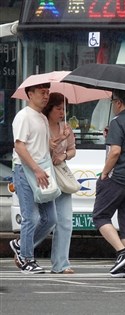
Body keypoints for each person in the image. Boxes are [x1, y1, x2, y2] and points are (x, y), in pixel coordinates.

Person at [92, 89, 125, 278]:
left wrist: (105, 173)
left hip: (118, 177)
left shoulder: (117, 122)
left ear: (118, 103)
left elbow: (115, 151)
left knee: (100, 215)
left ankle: (122, 252)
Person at [9, 82, 57, 274]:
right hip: (24, 170)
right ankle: (27, 258)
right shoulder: (23, 116)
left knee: (50, 218)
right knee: (30, 217)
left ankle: (21, 244)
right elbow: (19, 146)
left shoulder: (43, 119)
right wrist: (37, 169)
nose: (46, 96)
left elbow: (41, 146)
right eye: (42, 93)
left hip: (41, 171)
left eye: (47, 92)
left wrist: (57, 141)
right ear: (30, 94)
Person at [42, 92, 77, 274]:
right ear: (49, 109)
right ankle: (23, 250)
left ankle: (61, 263)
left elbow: (72, 151)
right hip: (43, 176)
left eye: (64, 109)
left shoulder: (66, 127)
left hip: (61, 176)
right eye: (58, 109)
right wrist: (60, 139)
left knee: (65, 221)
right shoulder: (41, 125)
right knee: (43, 220)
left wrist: (64, 155)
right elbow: (41, 149)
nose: (62, 113)